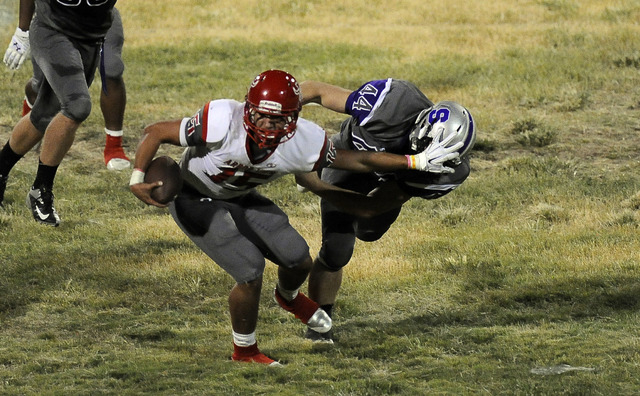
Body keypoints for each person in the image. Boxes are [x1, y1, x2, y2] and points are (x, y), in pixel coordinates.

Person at [129, 70, 462, 365]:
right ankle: (244, 351)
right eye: (261, 116)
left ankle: (287, 298)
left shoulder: (305, 140)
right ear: (247, 109)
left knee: (297, 258)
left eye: (279, 119)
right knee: (249, 270)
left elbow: (356, 161)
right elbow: (156, 130)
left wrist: (412, 164)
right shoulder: (220, 119)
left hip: (241, 197)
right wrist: (137, 177)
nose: (268, 126)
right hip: (194, 197)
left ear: (294, 118)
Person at [296, 78, 476, 343]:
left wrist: (314, 185)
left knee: (369, 231)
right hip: (347, 159)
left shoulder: (449, 171)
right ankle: (319, 325)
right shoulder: (390, 104)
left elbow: (370, 208)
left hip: (389, 180)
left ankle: (320, 165)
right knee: (338, 248)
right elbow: (315, 90)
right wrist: (275, 111)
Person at [0, 0, 118, 226]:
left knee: (45, 114)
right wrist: (22, 31)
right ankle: (41, 188)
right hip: (52, 30)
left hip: (90, 38)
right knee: (77, 106)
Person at [4, 7, 130, 171]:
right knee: (43, 85)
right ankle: (31, 111)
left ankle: (114, 147)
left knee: (111, 68)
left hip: (99, 17)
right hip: (56, 22)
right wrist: (22, 31)